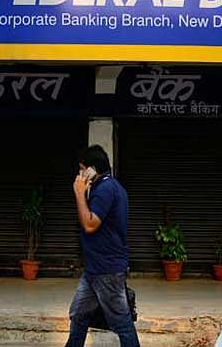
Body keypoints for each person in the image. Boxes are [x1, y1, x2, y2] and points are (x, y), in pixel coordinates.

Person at [66, 145, 140, 347]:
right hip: (94, 268)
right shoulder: (108, 187)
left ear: (92, 169)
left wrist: (79, 193)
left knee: (121, 322)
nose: (80, 174)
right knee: (79, 314)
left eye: (82, 169)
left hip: (107, 270)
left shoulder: (106, 190)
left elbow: (90, 224)